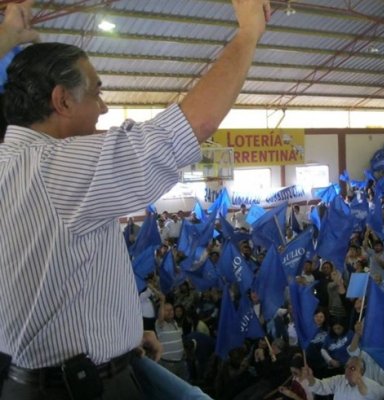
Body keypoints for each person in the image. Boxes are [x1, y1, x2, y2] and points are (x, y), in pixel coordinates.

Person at [0, 0, 271, 399]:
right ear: (62, 101)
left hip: (47, 376)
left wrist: (120, 335)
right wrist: (248, 33)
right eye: (96, 92)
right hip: (77, 390)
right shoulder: (54, 167)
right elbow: (184, 130)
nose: (104, 107)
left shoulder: (10, 156)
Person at [302, 356, 384, 400]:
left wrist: (359, 383)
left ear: (362, 371)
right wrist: (310, 378)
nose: (347, 370)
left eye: (352, 368)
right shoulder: (338, 380)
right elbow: (321, 387)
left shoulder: (372, 385)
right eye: (346, 367)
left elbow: (380, 396)